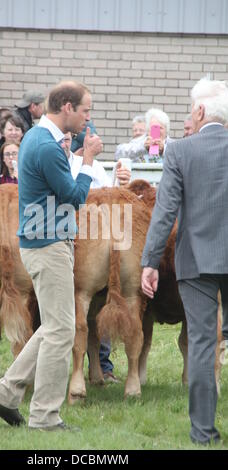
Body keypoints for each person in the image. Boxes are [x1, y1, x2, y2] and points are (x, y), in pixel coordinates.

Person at [0, 80, 103, 431]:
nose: (87, 117)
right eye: (85, 110)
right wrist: (89, 160)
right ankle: (45, 416)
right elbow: (74, 197)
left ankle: (5, 395)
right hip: (48, 245)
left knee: (53, 327)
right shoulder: (47, 146)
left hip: (42, 243)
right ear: (67, 107)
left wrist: (76, 158)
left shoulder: (40, 139)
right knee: (63, 330)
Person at [140, 77, 228, 446]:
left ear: (200, 111)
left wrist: (149, 260)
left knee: (203, 345)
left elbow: (165, 212)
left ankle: (203, 433)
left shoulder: (179, 151)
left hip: (196, 260)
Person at [62, 131, 130, 382]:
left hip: (96, 237)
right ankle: (88, 367)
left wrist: (121, 185)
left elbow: (108, 197)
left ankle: (101, 365)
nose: (67, 144)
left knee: (97, 302)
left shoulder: (97, 167)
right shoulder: (61, 163)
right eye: (65, 139)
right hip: (73, 236)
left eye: (70, 139)